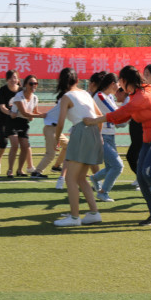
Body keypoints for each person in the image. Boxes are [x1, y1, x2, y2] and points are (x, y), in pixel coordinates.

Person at [83, 65, 151, 226]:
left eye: (120, 82)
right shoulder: (141, 92)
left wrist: (94, 120)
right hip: (149, 138)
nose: (119, 87)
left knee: (150, 172)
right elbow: (123, 117)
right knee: (142, 176)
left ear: (123, 81)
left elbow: (120, 114)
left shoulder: (142, 96)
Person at [52, 68, 103, 227]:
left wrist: (56, 139)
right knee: (81, 178)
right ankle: (94, 213)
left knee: (70, 178)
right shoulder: (86, 93)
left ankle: (74, 217)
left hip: (81, 131)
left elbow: (60, 123)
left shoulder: (66, 97)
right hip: (94, 132)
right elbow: (100, 115)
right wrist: (96, 135)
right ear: (77, 80)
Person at [89, 73, 124, 202]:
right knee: (118, 166)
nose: (119, 88)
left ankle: (95, 178)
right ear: (113, 84)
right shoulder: (100, 96)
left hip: (109, 135)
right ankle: (103, 192)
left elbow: (117, 114)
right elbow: (117, 114)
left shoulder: (108, 96)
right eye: (118, 85)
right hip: (101, 136)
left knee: (111, 167)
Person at [10, 75, 46, 177]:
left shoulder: (35, 98)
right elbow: (25, 113)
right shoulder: (19, 96)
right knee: (15, 145)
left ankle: (19, 170)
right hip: (13, 122)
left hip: (24, 123)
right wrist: (40, 116)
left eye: (35, 83)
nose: (33, 85)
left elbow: (35, 112)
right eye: (31, 83)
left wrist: (47, 115)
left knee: (25, 147)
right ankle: (9, 170)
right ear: (25, 84)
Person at [33, 97, 69, 187]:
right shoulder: (65, 100)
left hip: (55, 129)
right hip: (51, 129)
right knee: (51, 154)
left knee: (68, 146)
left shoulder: (66, 101)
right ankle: (37, 172)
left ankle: (56, 167)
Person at [0, 70, 20, 176]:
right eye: (10, 78)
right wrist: (10, 113)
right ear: (7, 80)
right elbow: (2, 106)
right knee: (3, 142)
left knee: (23, 142)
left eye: (15, 77)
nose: (13, 80)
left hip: (17, 121)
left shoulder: (21, 91)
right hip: (3, 120)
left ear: (18, 79)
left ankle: (27, 167)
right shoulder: (3, 90)